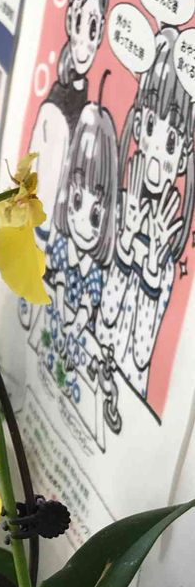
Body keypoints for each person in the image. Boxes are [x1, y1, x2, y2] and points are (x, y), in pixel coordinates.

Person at [97, 28, 195, 400]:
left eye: (171, 141)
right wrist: (125, 243)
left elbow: (141, 354)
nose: (155, 152)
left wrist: (153, 268)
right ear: (138, 125)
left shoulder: (166, 254)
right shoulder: (122, 209)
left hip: (129, 392)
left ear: (183, 154)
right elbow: (105, 317)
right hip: (95, 368)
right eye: (151, 127)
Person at [29, 0, 112, 226]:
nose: (86, 42)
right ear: (69, 17)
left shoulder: (91, 110)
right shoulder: (53, 111)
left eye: (95, 26)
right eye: (81, 21)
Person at [49, 72, 118, 362]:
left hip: (78, 341)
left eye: (96, 214)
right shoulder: (63, 247)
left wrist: (74, 328)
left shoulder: (95, 271)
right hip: (56, 323)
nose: (81, 223)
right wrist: (61, 312)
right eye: (77, 200)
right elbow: (59, 280)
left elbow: (89, 303)